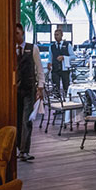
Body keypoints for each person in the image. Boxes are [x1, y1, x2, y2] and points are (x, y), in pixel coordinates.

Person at [14, 22, 44, 162]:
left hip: (28, 88)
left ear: (23, 34)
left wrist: (40, 87)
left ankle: (24, 150)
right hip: (15, 90)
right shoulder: (10, 49)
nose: (15, 36)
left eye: (17, 33)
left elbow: (39, 69)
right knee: (17, 119)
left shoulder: (33, 48)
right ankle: (18, 147)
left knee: (27, 119)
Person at [50, 27, 74, 96]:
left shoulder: (67, 45)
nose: (56, 36)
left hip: (64, 69)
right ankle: (57, 99)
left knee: (66, 86)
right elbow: (50, 57)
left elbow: (73, 57)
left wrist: (64, 57)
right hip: (55, 69)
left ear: (61, 35)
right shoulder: (52, 46)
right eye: (55, 35)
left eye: (57, 35)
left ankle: (67, 99)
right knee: (55, 87)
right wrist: (49, 63)